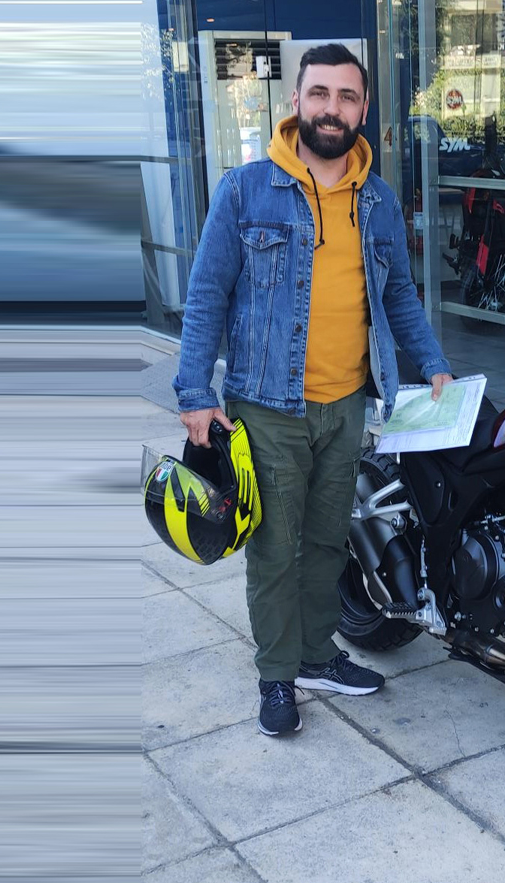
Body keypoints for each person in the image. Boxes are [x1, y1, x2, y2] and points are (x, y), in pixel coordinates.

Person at [174, 44, 453, 736]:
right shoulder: (245, 190)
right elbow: (206, 295)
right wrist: (194, 393)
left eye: (347, 96)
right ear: (296, 101)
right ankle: (276, 675)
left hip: (348, 403)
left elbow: (399, 296)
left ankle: (316, 654)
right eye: (320, 93)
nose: (333, 108)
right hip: (266, 407)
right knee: (275, 549)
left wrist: (433, 364)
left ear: (364, 108)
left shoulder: (378, 199)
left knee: (330, 541)